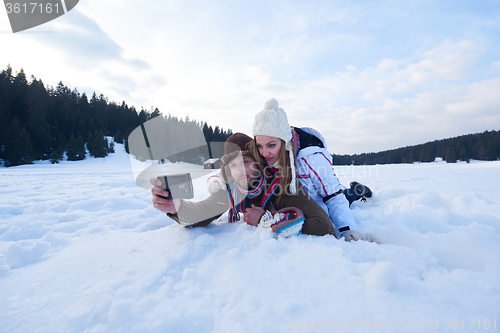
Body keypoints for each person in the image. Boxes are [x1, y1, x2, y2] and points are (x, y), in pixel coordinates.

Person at [151, 133, 337, 237]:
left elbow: (324, 226)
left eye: (246, 162)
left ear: (259, 162)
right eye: (233, 165)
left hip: (313, 192)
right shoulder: (231, 190)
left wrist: (267, 220)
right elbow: (200, 213)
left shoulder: (282, 186)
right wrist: (176, 208)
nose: (240, 171)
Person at [248, 98, 376, 242]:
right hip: (301, 202)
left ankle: (359, 190)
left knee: (346, 196)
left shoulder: (312, 158)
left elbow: (333, 196)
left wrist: (348, 229)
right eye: (260, 146)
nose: (264, 153)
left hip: (321, 202)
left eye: (271, 145)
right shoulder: (263, 157)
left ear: (284, 141)